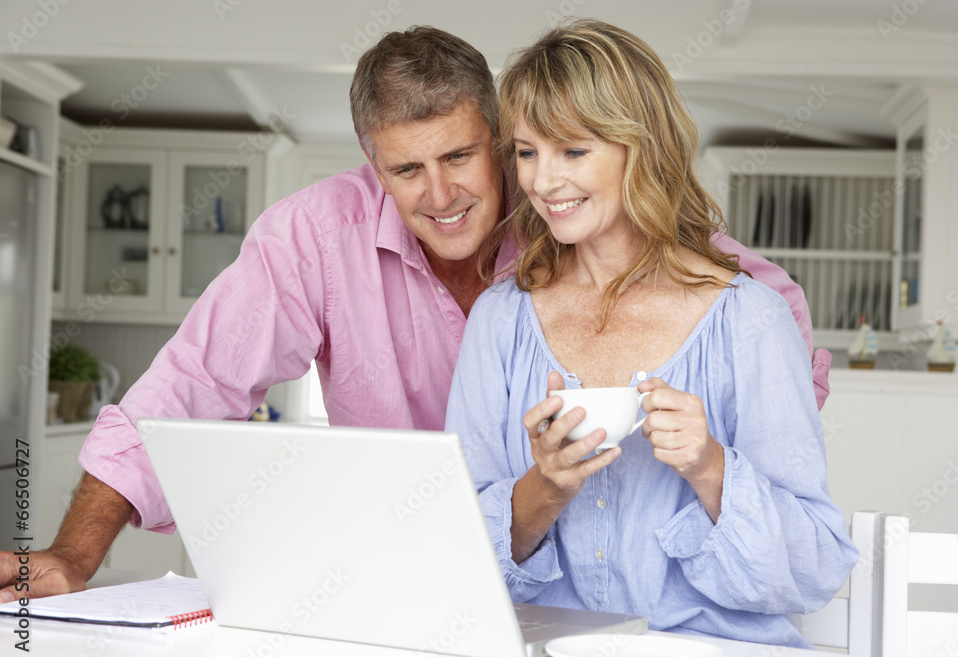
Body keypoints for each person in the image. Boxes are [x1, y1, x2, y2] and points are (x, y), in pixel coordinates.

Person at [0, 25, 826, 604]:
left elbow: (758, 316)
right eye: (406, 169)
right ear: (371, 163)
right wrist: (75, 554)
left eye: (462, 156)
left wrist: (716, 451)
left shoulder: (575, 214)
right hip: (407, 560)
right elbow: (187, 385)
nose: (440, 196)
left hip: (575, 582)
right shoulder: (317, 236)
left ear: (499, 138)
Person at [444, 19, 856, 648]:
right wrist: (546, 484)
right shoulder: (501, 320)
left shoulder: (751, 320)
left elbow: (813, 569)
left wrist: (709, 464)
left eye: (573, 151)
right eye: (527, 152)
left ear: (642, 148)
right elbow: (453, 561)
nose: (542, 182)